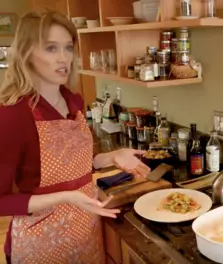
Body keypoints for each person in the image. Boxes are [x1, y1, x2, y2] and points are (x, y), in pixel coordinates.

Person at [0, 9, 151, 263]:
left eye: (68, 48)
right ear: (27, 53)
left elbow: (74, 165)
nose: (63, 58)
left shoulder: (73, 101)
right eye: (51, 48)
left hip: (86, 234)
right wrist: (66, 197)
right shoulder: (13, 115)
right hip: (42, 246)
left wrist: (113, 156)